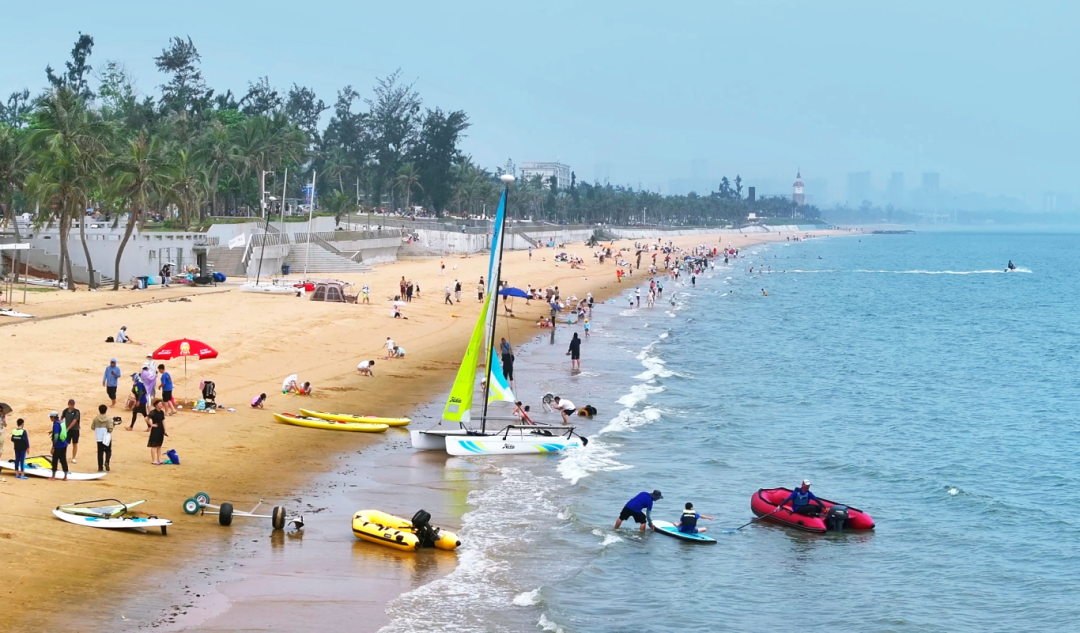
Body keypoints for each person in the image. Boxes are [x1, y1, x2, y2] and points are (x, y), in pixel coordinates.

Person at [90, 404, 114, 472]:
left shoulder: (95, 418)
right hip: (106, 437)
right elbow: (110, 429)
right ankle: (107, 462)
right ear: (106, 410)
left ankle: (100, 467)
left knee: (100, 452)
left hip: (99, 437)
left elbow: (92, 427)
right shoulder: (109, 419)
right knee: (108, 450)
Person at [49, 412, 69, 481]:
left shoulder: (55, 425)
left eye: (51, 417)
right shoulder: (61, 422)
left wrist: (53, 446)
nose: (50, 418)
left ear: (53, 417)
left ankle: (53, 477)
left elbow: (56, 436)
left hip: (58, 445)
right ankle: (65, 476)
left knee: (55, 460)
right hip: (64, 444)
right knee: (63, 460)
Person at [147, 400, 168, 465]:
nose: (161, 405)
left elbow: (163, 421)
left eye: (161, 404)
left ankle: (159, 459)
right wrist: (151, 425)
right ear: (156, 405)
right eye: (160, 404)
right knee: (154, 445)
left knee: (159, 445)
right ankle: (154, 460)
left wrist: (165, 430)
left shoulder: (161, 412)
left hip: (160, 429)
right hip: (155, 430)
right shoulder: (153, 412)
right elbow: (146, 418)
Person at [62, 399, 81, 464]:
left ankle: (73, 458)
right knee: (65, 444)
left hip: (75, 430)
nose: (71, 406)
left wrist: (68, 428)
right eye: (70, 404)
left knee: (75, 444)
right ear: (68, 404)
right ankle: (63, 457)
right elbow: (62, 419)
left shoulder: (76, 412)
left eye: (72, 404)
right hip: (67, 430)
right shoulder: (65, 411)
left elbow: (74, 421)